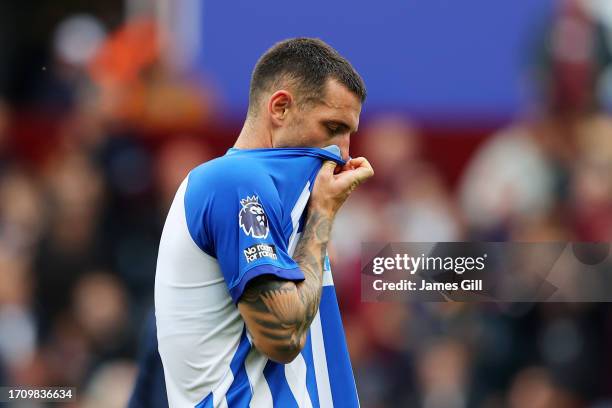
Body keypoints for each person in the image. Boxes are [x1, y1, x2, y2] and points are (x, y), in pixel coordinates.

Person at [155, 38, 373, 407]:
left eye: (350, 132)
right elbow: (282, 337)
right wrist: (322, 215)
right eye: (332, 127)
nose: (344, 152)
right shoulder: (236, 180)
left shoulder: (277, 196)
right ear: (281, 108)